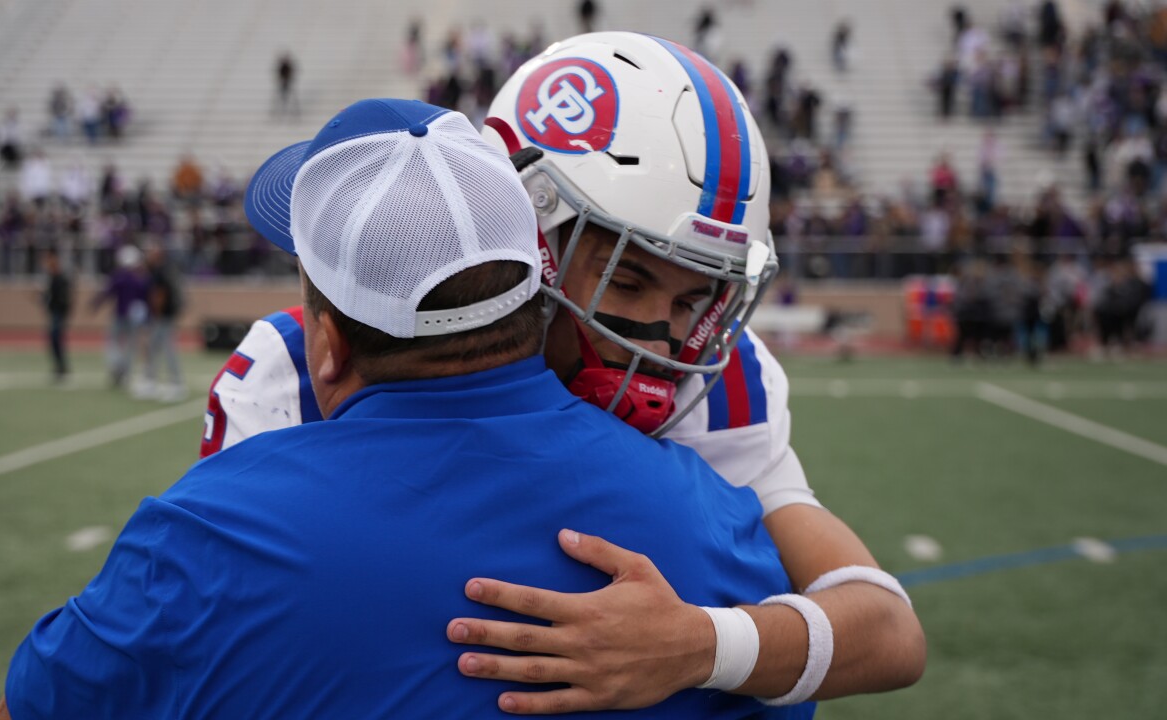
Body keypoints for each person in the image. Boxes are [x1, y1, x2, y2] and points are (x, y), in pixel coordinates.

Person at [0, 98, 808, 719]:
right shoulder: (712, 522)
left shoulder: (205, 537)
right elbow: (853, 644)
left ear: (327, 343)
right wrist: (713, 644)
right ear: (544, 291)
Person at [202, 33, 924, 714]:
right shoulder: (306, 362)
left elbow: (886, 628)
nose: (663, 339)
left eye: (694, 296)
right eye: (628, 280)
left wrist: (705, 645)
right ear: (530, 230)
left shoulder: (722, 376)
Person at [91, 244, 147, 390]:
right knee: (129, 347)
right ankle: (125, 374)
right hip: (132, 318)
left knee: (112, 343)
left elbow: (106, 293)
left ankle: (117, 368)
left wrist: (95, 304)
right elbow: (145, 298)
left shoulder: (119, 277)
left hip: (120, 316)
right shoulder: (138, 279)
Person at [136, 245, 185, 401]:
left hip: (163, 317)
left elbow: (160, 295)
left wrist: (155, 314)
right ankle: (152, 381)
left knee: (164, 349)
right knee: (156, 348)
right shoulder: (166, 270)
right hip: (166, 316)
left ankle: (175, 383)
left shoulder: (160, 271)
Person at [40, 249, 73, 383]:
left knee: (56, 340)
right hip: (55, 312)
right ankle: (60, 367)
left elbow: (63, 298)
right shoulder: (53, 277)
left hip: (58, 313)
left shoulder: (60, 278)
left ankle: (62, 368)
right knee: (55, 341)